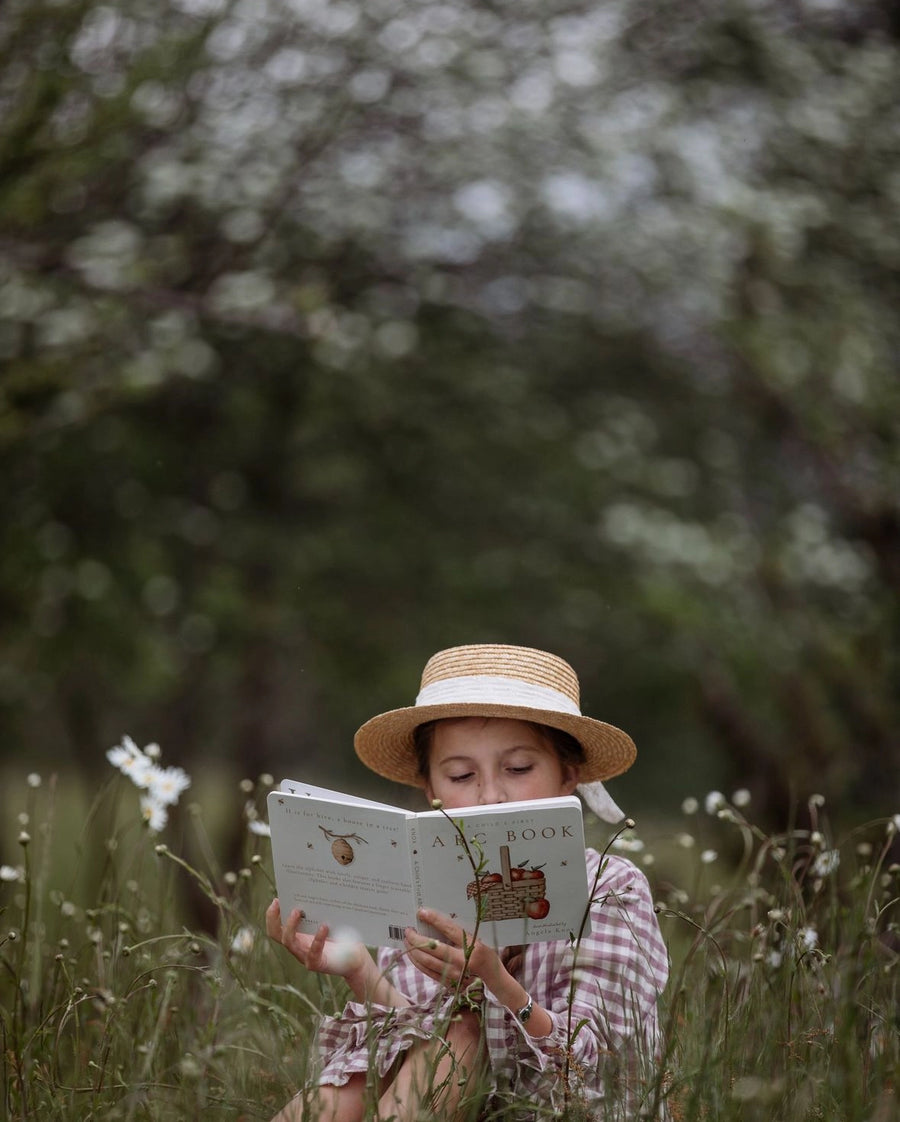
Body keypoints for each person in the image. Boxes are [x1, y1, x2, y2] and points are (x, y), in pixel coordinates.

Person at [265, 643, 669, 1121]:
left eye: (518, 768)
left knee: (462, 1033)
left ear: (568, 776)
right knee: (349, 1086)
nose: (489, 795)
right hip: (448, 1100)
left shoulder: (607, 888)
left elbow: (590, 1068)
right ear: (431, 789)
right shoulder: (422, 894)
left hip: (562, 1108)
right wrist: (359, 970)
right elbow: (410, 1046)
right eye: (460, 774)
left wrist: (495, 982)